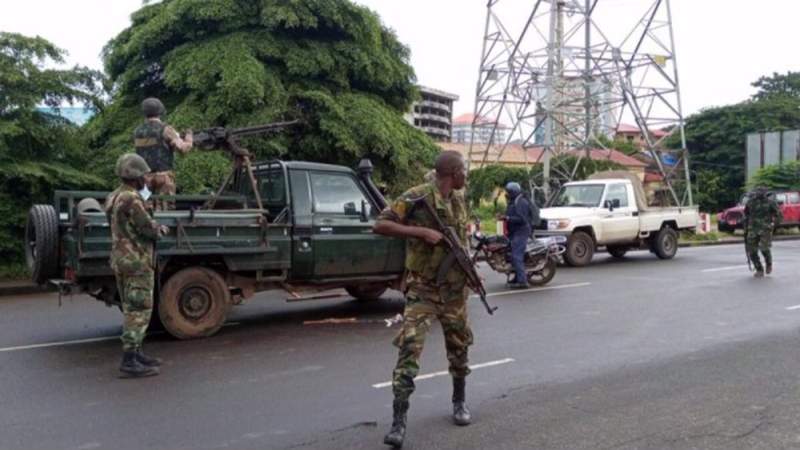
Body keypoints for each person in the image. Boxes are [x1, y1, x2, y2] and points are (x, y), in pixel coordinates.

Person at [374, 151, 473, 448]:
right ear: (453, 172)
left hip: (455, 291)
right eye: (463, 170)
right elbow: (380, 224)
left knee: (459, 347)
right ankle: (398, 422)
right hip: (424, 290)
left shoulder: (458, 198)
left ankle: (459, 401)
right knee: (409, 351)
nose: (465, 175)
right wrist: (420, 232)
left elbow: (461, 238)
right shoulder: (417, 196)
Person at [105, 153, 169, 378]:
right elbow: (147, 228)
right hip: (137, 261)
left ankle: (137, 353)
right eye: (143, 175)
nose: (146, 178)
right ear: (135, 176)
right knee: (139, 309)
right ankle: (129, 360)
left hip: (120, 260)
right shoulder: (132, 198)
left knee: (131, 306)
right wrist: (159, 229)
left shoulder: (114, 196)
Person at [133, 97, 194, 210]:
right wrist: (189, 137)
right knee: (165, 213)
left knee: (146, 210)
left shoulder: (137, 131)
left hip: (143, 179)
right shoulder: (166, 129)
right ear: (160, 111)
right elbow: (184, 149)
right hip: (163, 178)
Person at [498, 182, 538, 289]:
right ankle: (516, 278)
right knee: (511, 255)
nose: (506, 194)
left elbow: (522, 219)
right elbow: (512, 215)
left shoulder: (521, 202)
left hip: (521, 231)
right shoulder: (514, 201)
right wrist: (504, 216)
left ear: (513, 192)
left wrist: (507, 218)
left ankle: (523, 282)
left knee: (516, 256)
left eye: (508, 192)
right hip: (514, 232)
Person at [743, 187, 782, 278]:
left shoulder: (770, 203)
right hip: (752, 229)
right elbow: (746, 214)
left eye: (761, 192)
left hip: (765, 229)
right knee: (752, 251)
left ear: (765, 193)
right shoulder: (750, 202)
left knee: (764, 248)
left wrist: (773, 225)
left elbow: (779, 215)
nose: (758, 193)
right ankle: (759, 269)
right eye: (757, 191)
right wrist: (745, 227)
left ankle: (769, 263)